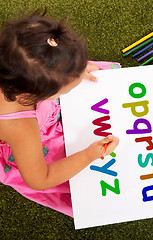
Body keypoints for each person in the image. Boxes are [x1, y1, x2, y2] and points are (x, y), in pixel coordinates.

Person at [0, 9, 119, 218]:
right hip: (27, 145)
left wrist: (74, 70)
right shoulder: (21, 128)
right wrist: (89, 154)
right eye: (68, 89)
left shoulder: (17, 64)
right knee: (83, 175)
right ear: (35, 97)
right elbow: (40, 179)